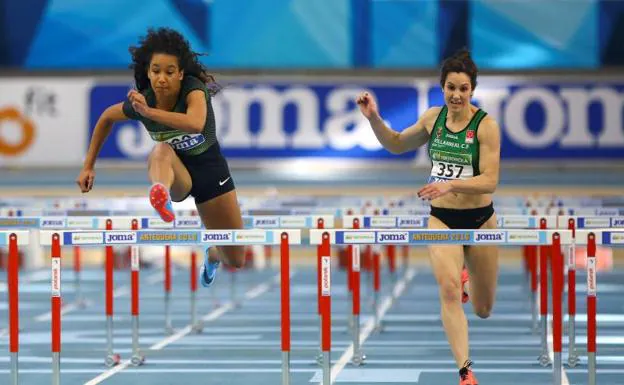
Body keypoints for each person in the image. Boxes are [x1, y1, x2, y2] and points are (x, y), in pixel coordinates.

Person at [356, 48, 500, 385]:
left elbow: (490, 180)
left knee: (483, 309)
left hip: (480, 220)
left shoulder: (486, 126)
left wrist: (449, 184)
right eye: (451, 87)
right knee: (449, 292)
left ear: (472, 91)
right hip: (442, 219)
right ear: (442, 87)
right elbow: (394, 144)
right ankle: (465, 372)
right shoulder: (432, 118)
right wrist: (374, 118)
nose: (456, 95)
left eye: (463, 88)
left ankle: (468, 279)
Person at [76, 27, 244, 287]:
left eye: (168, 72)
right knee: (161, 150)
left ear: (180, 73)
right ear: (148, 72)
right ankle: (160, 195)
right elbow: (106, 117)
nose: (161, 79)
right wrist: (88, 167)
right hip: (176, 176)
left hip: (211, 173)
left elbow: (196, 123)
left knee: (236, 259)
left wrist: (149, 113)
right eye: (155, 71)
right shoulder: (145, 100)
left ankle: (212, 253)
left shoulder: (193, 90)